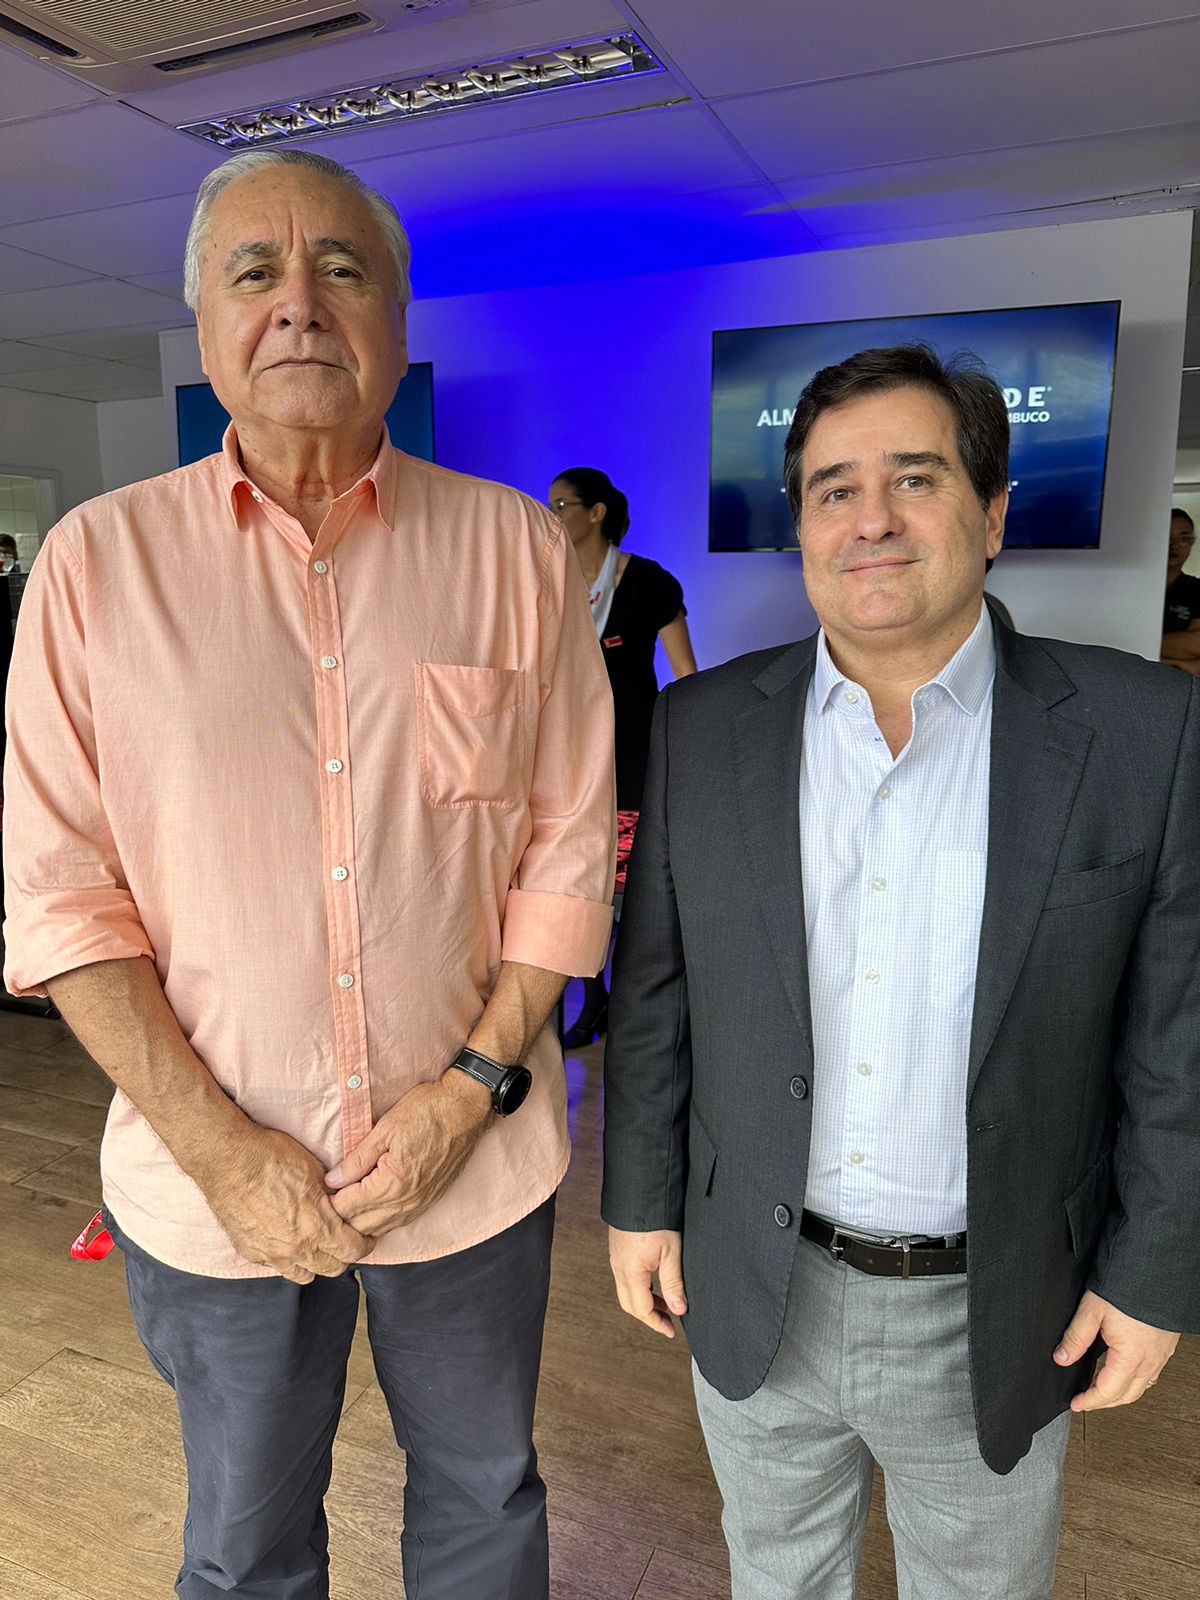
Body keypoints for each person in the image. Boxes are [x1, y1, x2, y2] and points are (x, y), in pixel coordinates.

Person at [3, 148, 615, 1600]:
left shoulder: (516, 551)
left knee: (484, 1502)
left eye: (341, 268)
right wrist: (226, 1156)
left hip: (468, 1166)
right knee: (246, 1545)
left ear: (396, 318)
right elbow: (61, 901)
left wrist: (467, 1095)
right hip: (209, 1189)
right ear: (207, 321)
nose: (299, 303)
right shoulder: (93, 568)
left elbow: (566, 846)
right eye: (255, 271)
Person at [602, 344, 1198, 1599]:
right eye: (834, 489)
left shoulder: (1145, 731)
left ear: (993, 514)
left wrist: (1153, 1276)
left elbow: (1177, 1041)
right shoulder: (700, 730)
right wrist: (639, 1201)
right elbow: (655, 993)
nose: (870, 518)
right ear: (801, 528)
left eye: (915, 479)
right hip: (756, 1280)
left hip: (1001, 1302)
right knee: (776, 1577)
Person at [548, 467, 697, 1046]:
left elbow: (686, 675)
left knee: (624, 891)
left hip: (634, 755)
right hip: (569, 755)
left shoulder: (648, 582)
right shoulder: (551, 579)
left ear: (597, 513)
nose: (553, 515)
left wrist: (688, 750)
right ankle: (593, 1000)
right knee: (577, 879)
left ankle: (628, 1002)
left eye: (562, 505)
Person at [1161, 506, 1200, 675]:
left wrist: (1134, 645)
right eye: (1167, 537)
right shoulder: (1131, 584)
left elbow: (1196, 644)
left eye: (1183, 538)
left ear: (1191, 544)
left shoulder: (1196, 589)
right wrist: (1177, 662)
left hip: (1173, 684)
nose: (1174, 545)